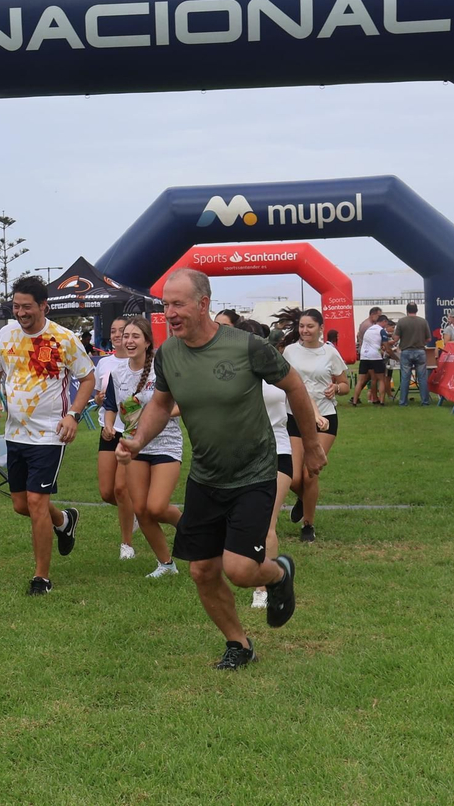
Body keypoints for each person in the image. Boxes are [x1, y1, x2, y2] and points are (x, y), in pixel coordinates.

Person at [119, 270, 321, 669]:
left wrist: (311, 446)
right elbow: (161, 404)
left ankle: (278, 574)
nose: (170, 313)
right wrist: (139, 440)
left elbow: (295, 387)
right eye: (165, 305)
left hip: (254, 472)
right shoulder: (169, 354)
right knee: (202, 571)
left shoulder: (248, 346)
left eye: (178, 304)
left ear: (203, 303)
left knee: (242, 569)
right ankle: (239, 644)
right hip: (206, 477)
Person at [0, 276, 96, 595]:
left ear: (44, 306)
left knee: (35, 502)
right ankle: (64, 521)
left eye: (27, 307)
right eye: (16, 306)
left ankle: (41, 577)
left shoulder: (63, 339)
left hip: (50, 434)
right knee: (21, 504)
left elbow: (87, 378)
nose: (20, 312)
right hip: (15, 434)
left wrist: (73, 414)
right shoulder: (6, 334)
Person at [243, 318, 319, 609]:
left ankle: (263, 587)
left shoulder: (276, 369)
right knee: (243, 523)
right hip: (240, 455)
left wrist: (315, 420)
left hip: (277, 451)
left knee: (266, 523)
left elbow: (300, 391)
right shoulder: (226, 375)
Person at [106, 316, 184, 578]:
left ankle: (193, 529)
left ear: (148, 341)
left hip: (166, 443)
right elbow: (123, 410)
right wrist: (132, 418)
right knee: (140, 509)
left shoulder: (163, 368)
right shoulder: (117, 374)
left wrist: (154, 415)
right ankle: (166, 564)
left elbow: (180, 405)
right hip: (135, 445)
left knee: (157, 507)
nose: (128, 340)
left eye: (135, 336)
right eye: (125, 336)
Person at [281, 309, 348, 544]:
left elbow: (345, 384)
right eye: (301, 326)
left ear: (321, 327)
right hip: (294, 417)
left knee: (310, 474)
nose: (305, 330)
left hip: (325, 418)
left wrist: (336, 389)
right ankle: (304, 499)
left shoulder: (330, 352)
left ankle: (308, 525)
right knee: (293, 477)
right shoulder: (289, 352)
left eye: (310, 326)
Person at [92, 314, 137, 560]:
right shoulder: (105, 364)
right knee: (107, 493)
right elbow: (104, 397)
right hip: (108, 428)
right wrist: (102, 403)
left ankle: (126, 544)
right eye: (114, 330)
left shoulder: (144, 365)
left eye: (124, 331)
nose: (118, 335)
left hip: (130, 431)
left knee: (121, 489)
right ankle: (136, 513)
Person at [394, 302, 433, 406]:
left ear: (407, 310)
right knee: (422, 378)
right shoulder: (423, 321)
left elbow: (396, 338)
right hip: (420, 351)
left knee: (405, 378)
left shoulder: (401, 321)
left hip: (406, 351)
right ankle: (425, 401)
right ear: (416, 310)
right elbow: (428, 338)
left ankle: (403, 402)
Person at [351, 314, 386, 406]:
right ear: (383, 322)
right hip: (375, 356)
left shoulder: (369, 329)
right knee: (381, 379)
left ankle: (355, 401)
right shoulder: (381, 330)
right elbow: (385, 345)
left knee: (361, 380)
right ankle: (381, 401)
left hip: (364, 355)